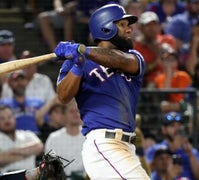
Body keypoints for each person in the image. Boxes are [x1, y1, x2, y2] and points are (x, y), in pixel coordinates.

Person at [54, 3, 150, 179]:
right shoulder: (78, 61)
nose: (129, 29)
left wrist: (84, 50)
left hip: (127, 147)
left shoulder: (133, 57)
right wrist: (77, 66)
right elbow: (63, 96)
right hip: (104, 144)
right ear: (105, 28)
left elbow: (120, 61)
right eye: (122, 25)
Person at [146, 112, 199, 180]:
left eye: (179, 125)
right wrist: (173, 149)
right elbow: (146, 173)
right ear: (164, 130)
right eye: (172, 125)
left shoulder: (191, 151)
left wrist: (190, 154)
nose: (177, 128)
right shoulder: (155, 150)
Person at [0, 105, 44, 173]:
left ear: (14, 118)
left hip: (30, 175)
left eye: (9, 117)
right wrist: (27, 154)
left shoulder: (28, 134)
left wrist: (11, 151)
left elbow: (39, 147)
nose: (7, 120)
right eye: (2, 118)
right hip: (7, 176)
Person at [44, 99, 85, 178]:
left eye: (77, 111)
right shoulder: (54, 138)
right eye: (71, 111)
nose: (75, 114)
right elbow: (50, 164)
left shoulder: (88, 136)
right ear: (64, 115)